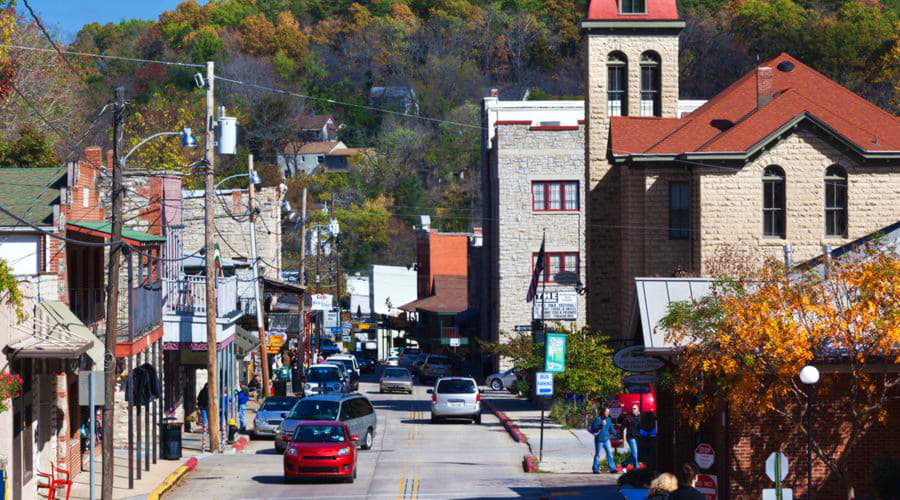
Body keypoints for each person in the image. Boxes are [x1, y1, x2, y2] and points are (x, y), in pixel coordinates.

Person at [590, 406, 618, 474]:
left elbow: (611, 429)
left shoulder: (609, 419)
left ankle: (612, 469)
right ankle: (595, 469)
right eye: (607, 412)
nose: (608, 413)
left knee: (609, 454)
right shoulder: (598, 419)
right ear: (603, 412)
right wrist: (601, 425)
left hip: (607, 439)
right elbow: (594, 429)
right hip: (599, 440)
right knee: (597, 454)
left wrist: (617, 436)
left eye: (609, 412)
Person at [621, 403, 641, 469]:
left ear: (638, 409)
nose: (633, 410)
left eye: (634, 408)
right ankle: (636, 469)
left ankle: (624, 463)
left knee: (634, 454)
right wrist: (620, 436)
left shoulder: (641, 417)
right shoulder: (628, 417)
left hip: (638, 437)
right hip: (630, 437)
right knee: (635, 453)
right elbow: (622, 427)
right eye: (632, 408)